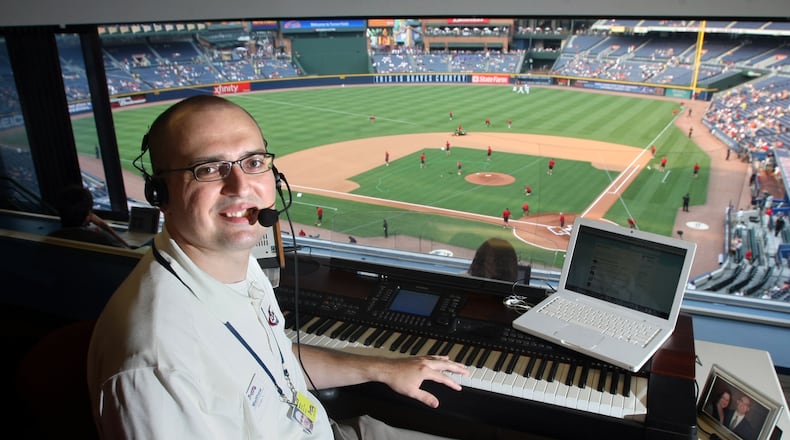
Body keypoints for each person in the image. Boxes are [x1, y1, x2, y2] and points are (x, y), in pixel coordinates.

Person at [86, 95, 469, 439]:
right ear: (160, 195)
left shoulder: (238, 265)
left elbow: (278, 362)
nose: (240, 185)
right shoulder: (156, 368)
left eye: (253, 162)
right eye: (208, 168)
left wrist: (381, 367)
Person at [49, 184, 130, 248]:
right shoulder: (101, 238)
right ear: (88, 214)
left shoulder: (51, 238)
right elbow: (127, 252)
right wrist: (103, 225)